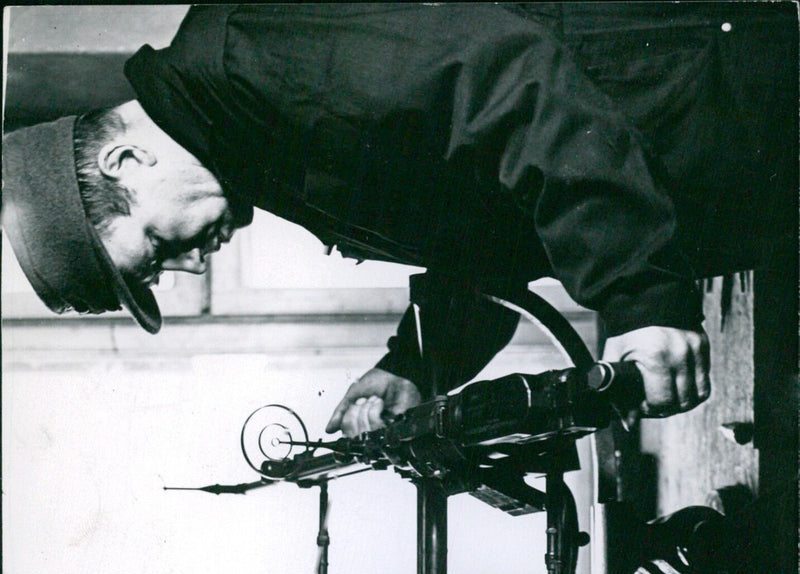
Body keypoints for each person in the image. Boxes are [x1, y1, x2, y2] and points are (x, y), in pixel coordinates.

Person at [4, 4, 797, 435]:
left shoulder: (247, 50)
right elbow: (485, 220)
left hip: (729, 104)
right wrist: (413, 365)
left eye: (154, 251)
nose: (191, 265)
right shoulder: (246, 134)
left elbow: (509, 80)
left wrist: (641, 297)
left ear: (123, 165)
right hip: (711, 169)